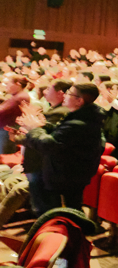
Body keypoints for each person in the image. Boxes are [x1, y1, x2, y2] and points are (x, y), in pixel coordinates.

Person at [18, 83, 105, 212]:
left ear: (79, 101)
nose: (64, 95)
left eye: (69, 93)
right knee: (68, 209)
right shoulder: (81, 117)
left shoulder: (79, 123)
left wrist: (35, 129)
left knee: (59, 213)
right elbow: (61, 135)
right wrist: (41, 125)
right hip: (65, 173)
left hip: (66, 176)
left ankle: (66, 231)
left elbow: (49, 145)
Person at [20, 80, 70, 215]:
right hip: (41, 165)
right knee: (42, 204)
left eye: (48, 89)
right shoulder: (53, 110)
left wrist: (30, 125)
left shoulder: (59, 113)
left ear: (60, 93)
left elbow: (44, 139)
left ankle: (48, 232)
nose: (44, 92)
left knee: (45, 208)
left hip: (41, 165)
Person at [0, 75, 31, 153]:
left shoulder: (20, 97)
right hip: (6, 129)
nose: (6, 86)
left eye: (8, 84)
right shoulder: (18, 95)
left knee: (5, 157)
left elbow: (2, 111)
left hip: (8, 130)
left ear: (18, 84)